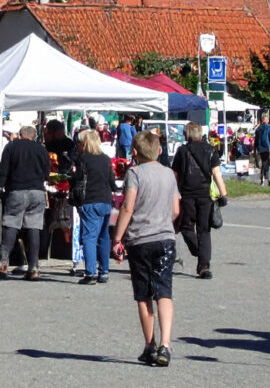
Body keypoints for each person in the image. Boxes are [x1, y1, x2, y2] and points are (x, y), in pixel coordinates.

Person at [113, 130, 180, 367]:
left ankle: (149, 345)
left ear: (134, 152)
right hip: (165, 239)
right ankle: (166, 344)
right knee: (164, 291)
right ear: (159, 151)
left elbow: (128, 207)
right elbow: (175, 211)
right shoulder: (169, 174)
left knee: (143, 295)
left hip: (140, 239)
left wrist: (118, 237)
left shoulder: (134, 173)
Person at [0, 126, 50, 280]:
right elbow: (46, 174)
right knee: (34, 227)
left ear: (20, 135)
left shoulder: (11, 147)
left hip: (16, 190)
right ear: (33, 136)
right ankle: (33, 268)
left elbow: (3, 170)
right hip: (37, 192)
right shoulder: (41, 150)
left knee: (11, 224)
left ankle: (3, 261)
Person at [171, 122, 228, 279]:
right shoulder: (211, 150)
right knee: (204, 230)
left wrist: (171, 194)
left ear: (187, 134)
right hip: (206, 196)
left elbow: (174, 175)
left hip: (186, 195)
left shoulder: (182, 151)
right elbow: (217, 174)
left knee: (186, 227)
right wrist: (223, 194)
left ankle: (198, 250)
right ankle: (204, 266)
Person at [72, 130, 115, 284]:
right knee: (104, 236)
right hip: (105, 200)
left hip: (90, 200)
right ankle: (104, 271)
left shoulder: (83, 159)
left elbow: (77, 179)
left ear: (85, 144)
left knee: (89, 237)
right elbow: (112, 182)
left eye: (79, 143)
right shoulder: (105, 159)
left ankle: (90, 272)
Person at [253, 113, 270, 186]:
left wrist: (254, 150)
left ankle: (266, 179)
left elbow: (256, 141)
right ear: (267, 120)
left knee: (264, 163)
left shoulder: (258, 129)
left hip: (260, 148)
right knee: (266, 163)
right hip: (268, 147)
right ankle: (264, 179)